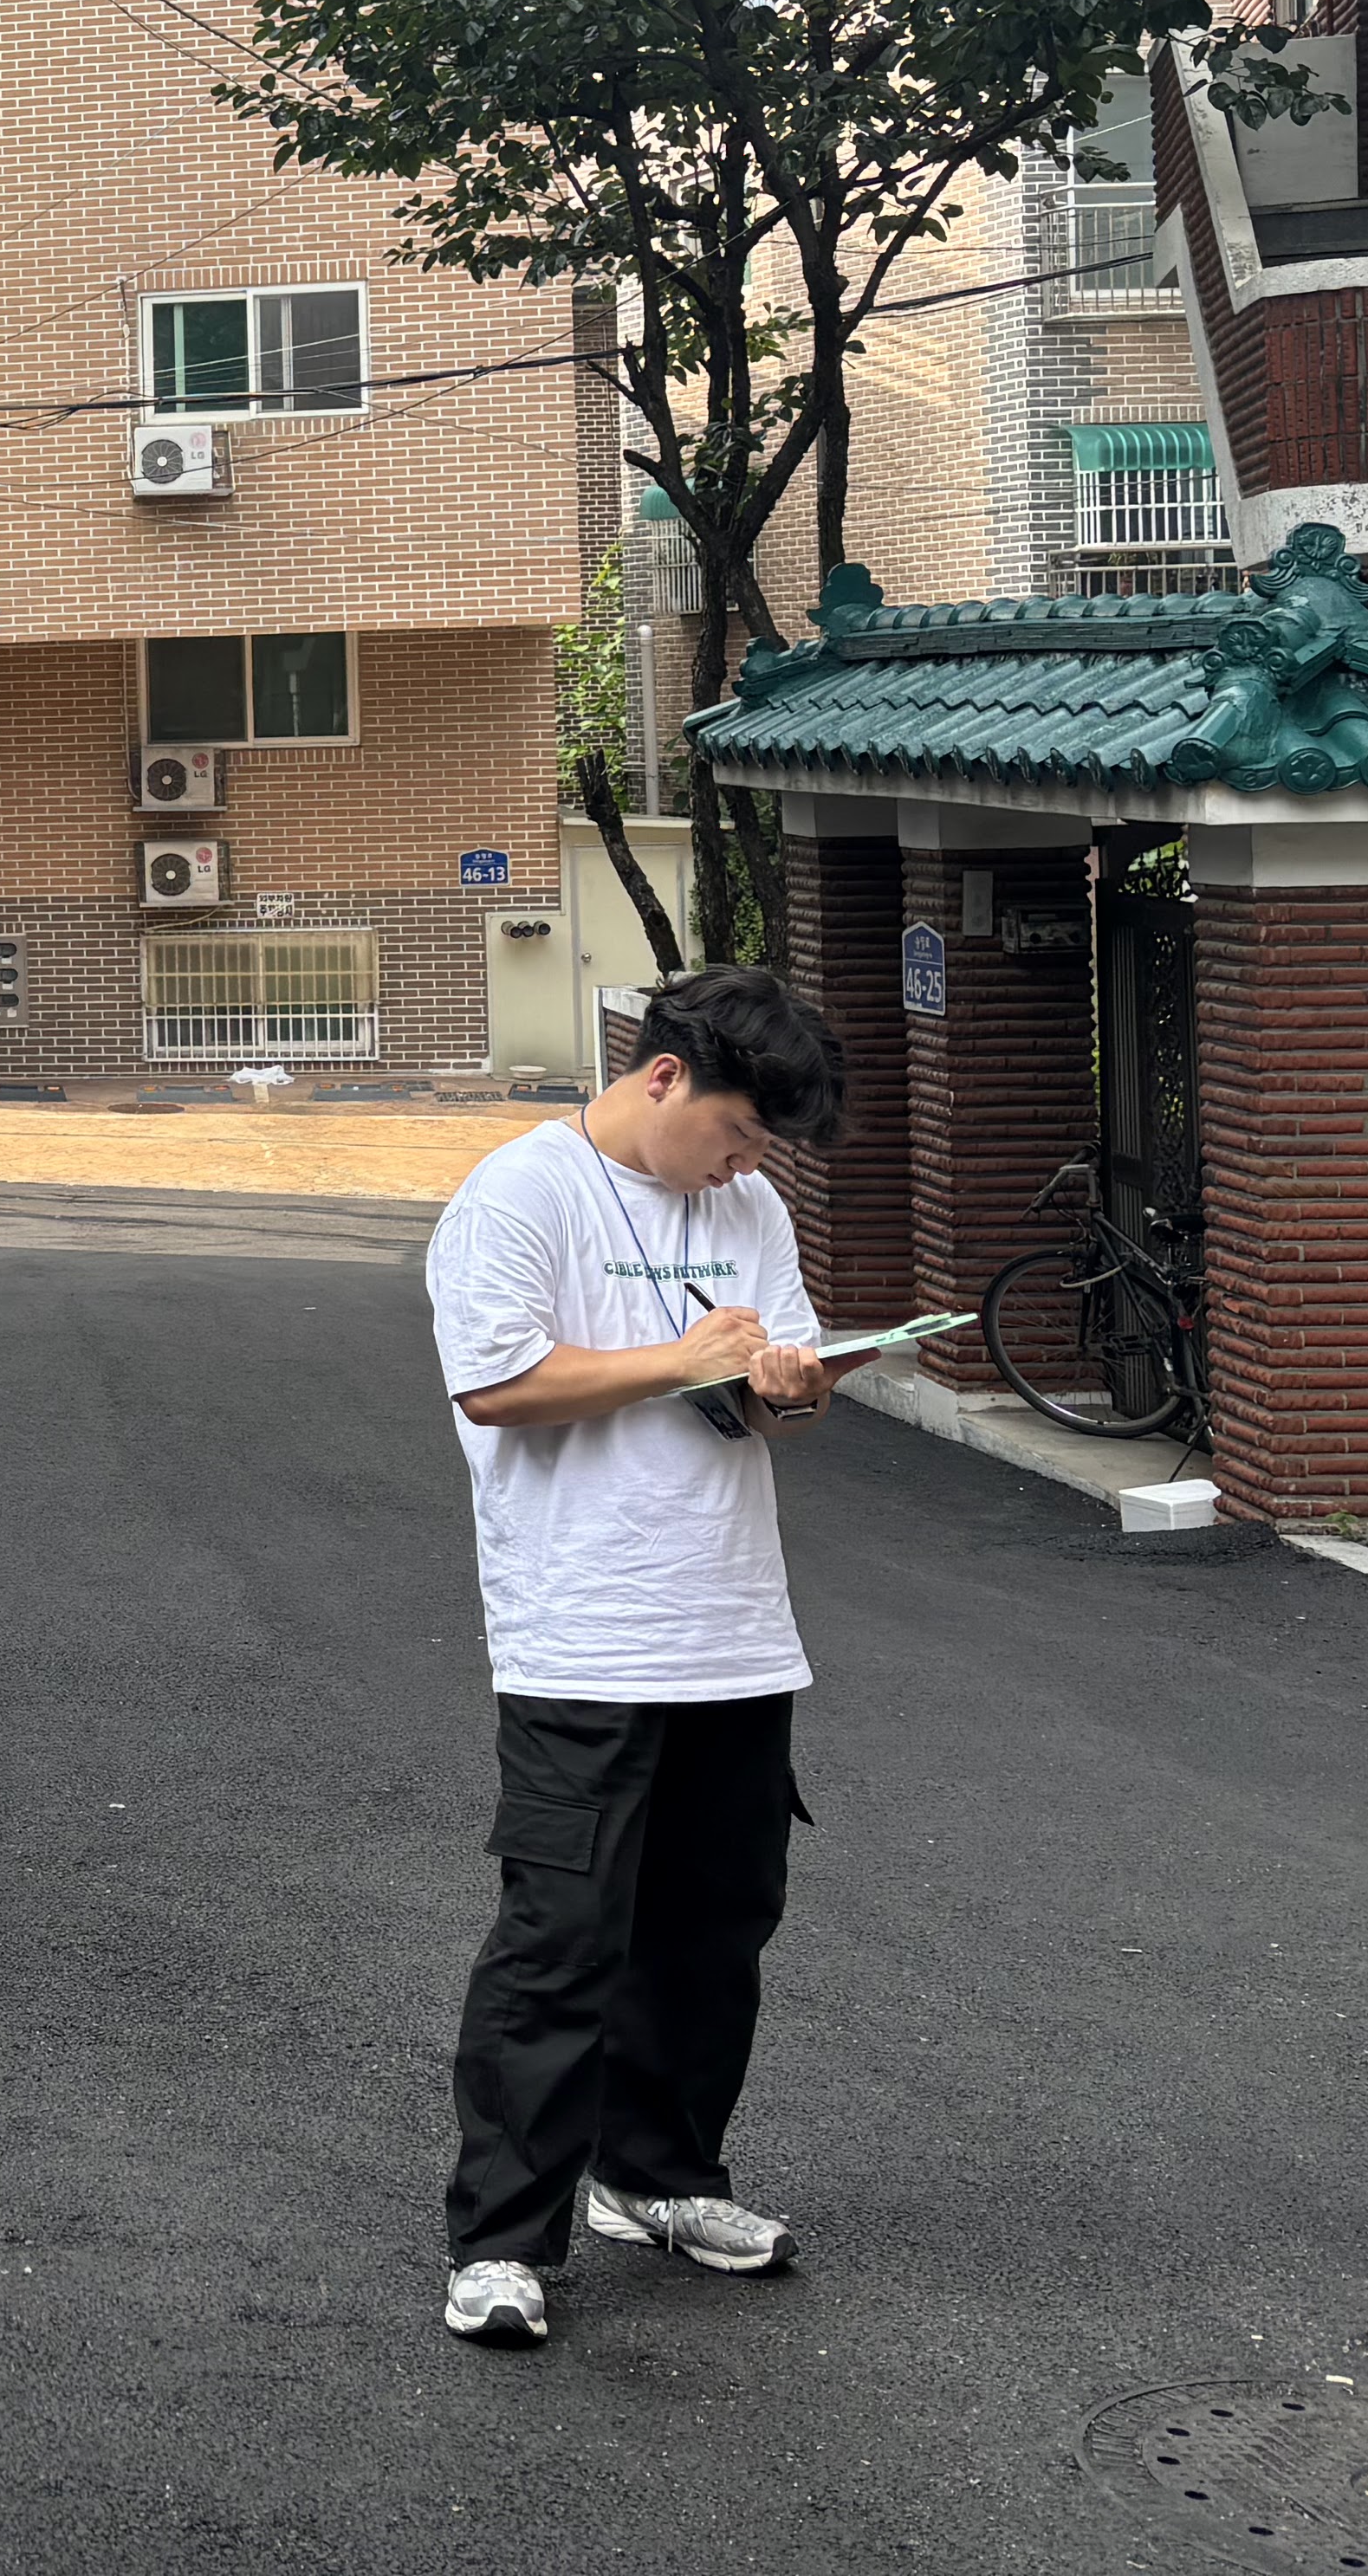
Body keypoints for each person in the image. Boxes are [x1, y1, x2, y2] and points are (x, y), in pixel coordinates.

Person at [424, 962, 846, 2351]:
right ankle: (501, 2242)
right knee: (560, 1940)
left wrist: (789, 1389)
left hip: (734, 1630)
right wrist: (681, 1357)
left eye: (763, 1147)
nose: (745, 1164)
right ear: (664, 1078)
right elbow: (498, 1384)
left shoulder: (751, 1208)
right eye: (737, 1131)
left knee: (714, 1932)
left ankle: (659, 2179)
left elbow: (765, 1400)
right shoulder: (519, 1195)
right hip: (583, 1634)